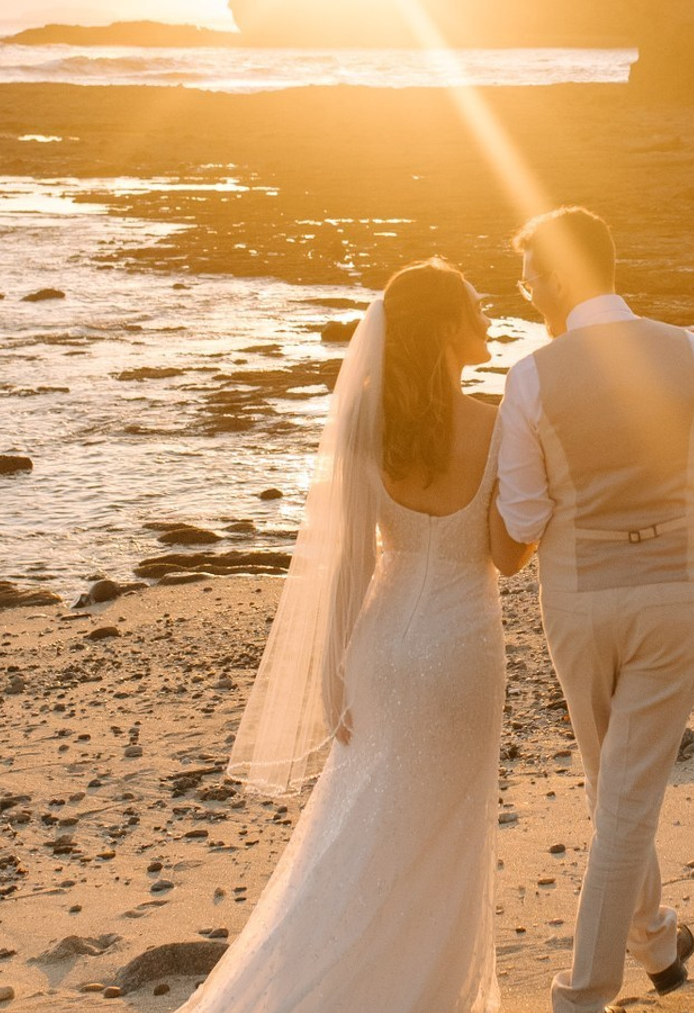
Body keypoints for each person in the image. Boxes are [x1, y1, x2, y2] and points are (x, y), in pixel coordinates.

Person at [188, 258, 525, 1013]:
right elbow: (505, 556)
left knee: (358, 826)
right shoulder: (499, 421)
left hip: (379, 648)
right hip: (463, 646)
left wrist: (329, 673)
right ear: (444, 328)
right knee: (448, 832)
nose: (487, 316)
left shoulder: (365, 420)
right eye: (475, 305)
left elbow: (345, 561)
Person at [492, 205, 694, 1013]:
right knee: (625, 792)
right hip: (678, 591)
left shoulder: (533, 376)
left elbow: (525, 521)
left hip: (578, 603)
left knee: (616, 789)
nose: (527, 290)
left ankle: (588, 988)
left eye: (531, 274)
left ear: (568, 275)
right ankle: (644, 949)